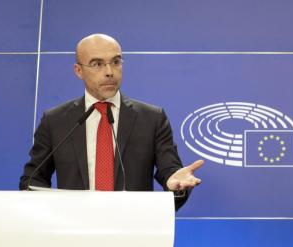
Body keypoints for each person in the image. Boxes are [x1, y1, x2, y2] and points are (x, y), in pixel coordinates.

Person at [19, 34, 202, 209]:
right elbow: (32, 179)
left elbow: (171, 172)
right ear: (78, 71)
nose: (109, 72)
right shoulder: (55, 121)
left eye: (115, 62)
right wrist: (50, 215)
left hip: (133, 231)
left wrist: (174, 184)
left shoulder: (152, 118)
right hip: (73, 231)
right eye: (97, 64)